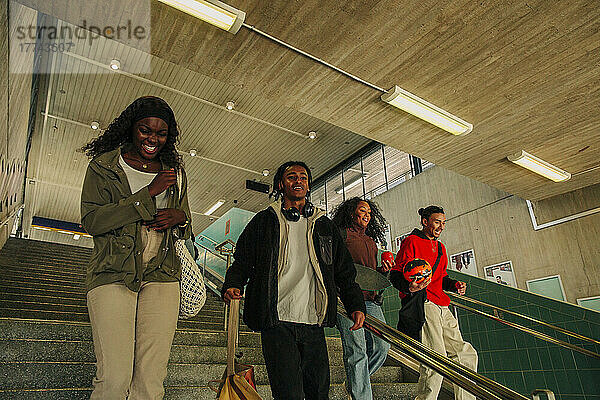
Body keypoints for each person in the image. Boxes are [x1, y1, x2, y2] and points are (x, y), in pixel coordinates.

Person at [222, 161, 366, 400]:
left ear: (308, 186)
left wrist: (356, 305)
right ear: (281, 184)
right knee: (289, 394)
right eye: (291, 177)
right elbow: (243, 260)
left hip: (313, 321)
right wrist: (233, 284)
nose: (298, 181)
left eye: (303, 177)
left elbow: (343, 271)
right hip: (277, 321)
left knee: (318, 393)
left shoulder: (324, 225)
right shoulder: (264, 221)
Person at [80, 96, 191, 399]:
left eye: (161, 134)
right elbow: (92, 220)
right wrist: (148, 194)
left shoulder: (175, 172)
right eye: (145, 130)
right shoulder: (103, 167)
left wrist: (180, 217)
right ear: (131, 129)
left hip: (161, 274)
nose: (153, 139)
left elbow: (185, 221)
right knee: (114, 378)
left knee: (150, 380)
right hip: (113, 272)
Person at [390, 206, 477, 400]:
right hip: (425, 302)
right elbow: (395, 274)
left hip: (442, 304)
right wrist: (409, 287)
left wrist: (454, 285)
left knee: (466, 354)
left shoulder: (440, 248)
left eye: (443, 223)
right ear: (425, 222)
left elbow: (441, 277)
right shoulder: (411, 242)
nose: (441, 226)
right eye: (437, 222)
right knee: (436, 358)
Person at [331, 197, 392, 400]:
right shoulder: (341, 235)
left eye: (369, 213)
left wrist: (383, 271)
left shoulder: (370, 240)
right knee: (357, 350)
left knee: (384, 345)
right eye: (362, 211)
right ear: (351, 213)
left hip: (370, 299)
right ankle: (361, 396)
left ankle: (353, 384)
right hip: (347, 299)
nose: (367, 215)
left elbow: (369, 271)